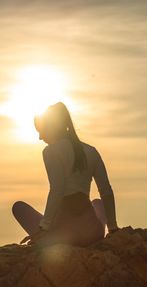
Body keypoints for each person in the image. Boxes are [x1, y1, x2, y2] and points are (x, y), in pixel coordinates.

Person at [12, 102, 121, 247]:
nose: (39, 137)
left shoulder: (51, 151)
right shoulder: (91, 151)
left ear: (52, 127)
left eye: (41, 131)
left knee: (18, 207)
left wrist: (44, 227)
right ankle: (104, 226)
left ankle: (49, 228)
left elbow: (57, 189)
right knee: (97, 203)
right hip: (93, 233)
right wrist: (113, 227)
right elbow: (106, 191)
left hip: (64, 235)